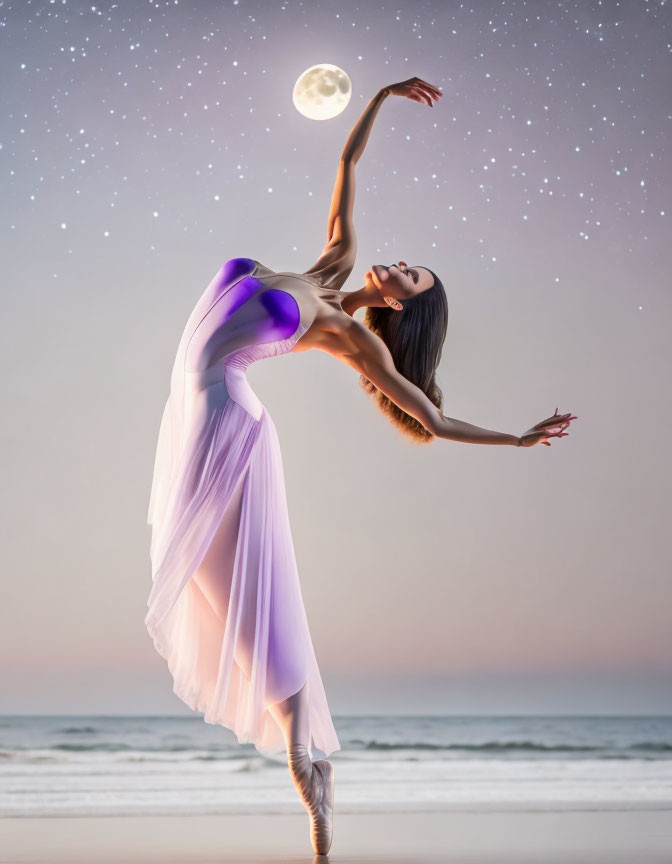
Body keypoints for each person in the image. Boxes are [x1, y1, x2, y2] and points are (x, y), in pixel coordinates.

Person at [145, 77, 576, 856]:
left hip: (228, 422)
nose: (402, 266)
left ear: (404, 307)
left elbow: (431, 417)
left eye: (413, 278)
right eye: (411, 263)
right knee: (207, 583)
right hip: (196, 414)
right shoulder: (331, 259)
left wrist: (517, 438)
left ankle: (302, 758)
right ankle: (304, 749)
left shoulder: (355, 339)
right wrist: (380, 94)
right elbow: (348, 159)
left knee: (236, 587)